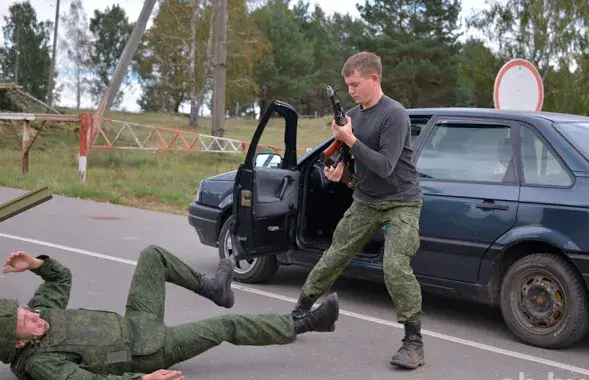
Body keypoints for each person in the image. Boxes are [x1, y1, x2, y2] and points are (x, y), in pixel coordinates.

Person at [0, 245, 340, 380]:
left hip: (135, 322)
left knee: (152, 256)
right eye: (25, 322)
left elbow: (60, 278)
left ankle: (213, 288)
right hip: (147, 352)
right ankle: (305, 323)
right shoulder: (40, 363)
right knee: (227, 326)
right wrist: (143, 379)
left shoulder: (40, 312)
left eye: (25, 311)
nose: (33, 315)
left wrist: (36, 265)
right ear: (17, 344)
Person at [291, 51, 425, 369]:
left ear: (374, 78)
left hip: (403, 202)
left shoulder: (395, 115)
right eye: (347, 85)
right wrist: (338, 167)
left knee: (395, 266)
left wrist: (349, 139)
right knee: (334, 255)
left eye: (355, 84)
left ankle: (413, 342)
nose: (351, 91)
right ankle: (299, 313)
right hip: (366, 200)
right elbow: (352, 159)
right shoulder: (352, 115)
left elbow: (385, 166)